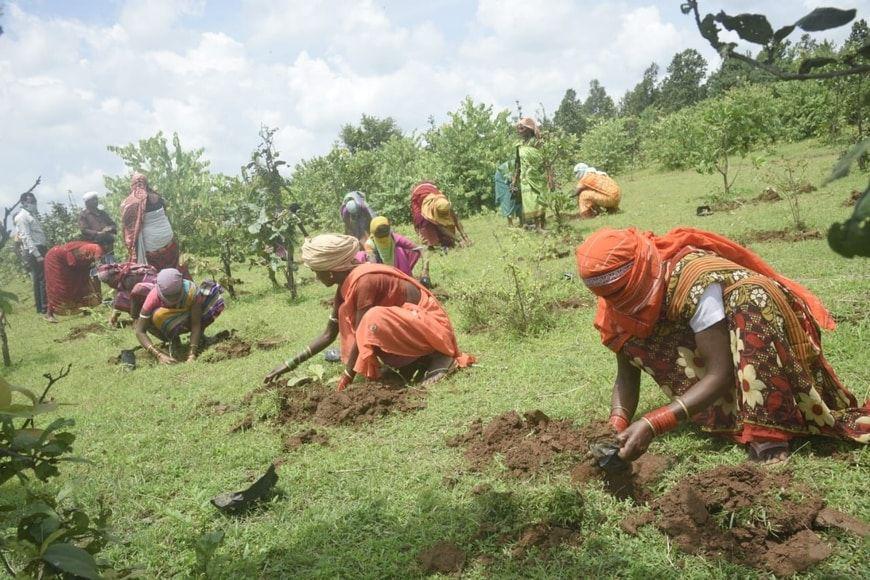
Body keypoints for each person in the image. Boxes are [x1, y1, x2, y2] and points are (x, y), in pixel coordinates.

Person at [575, 227, 869, 464]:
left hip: (756, 334)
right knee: (632, 337)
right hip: (716, 346)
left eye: (619, 292)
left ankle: (768, 430)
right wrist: (615, 425)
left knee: (752, 299)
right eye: (606, 296)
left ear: (639, 271)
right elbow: (626, 373)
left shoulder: (695, 280)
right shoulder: (616, 302)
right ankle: (728, 410)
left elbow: (720, 372)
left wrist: (655, 423)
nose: (615, 302)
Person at [263, 234, 474, 388]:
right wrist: (288, 364)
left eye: (317, 272)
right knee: (362, 320)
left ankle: (440, 357)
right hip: (412, 329)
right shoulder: (345, 286)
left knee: (372, 319)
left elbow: (362, 331)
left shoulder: (365, 280)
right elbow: (328, 334)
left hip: (432, 329)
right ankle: (415, 363)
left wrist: (346, 378)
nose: (317, 278)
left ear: (330, 271)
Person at [133, 268, 224, 364]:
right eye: (168, 298)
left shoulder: (191, 291)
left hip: (188, 317)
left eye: (175, 296)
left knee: (213, 298)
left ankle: (199, 338)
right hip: (167, 322)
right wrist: (158, 355)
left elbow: (196, 324)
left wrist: (192, 354)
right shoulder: (153, 297)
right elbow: (139, 331)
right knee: (157, 315)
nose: (172, 300)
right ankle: (174, 340)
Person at [121, 172, 182, 270]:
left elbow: (129, 229)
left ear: (133, 185)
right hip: (168, 238)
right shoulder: (157, 196)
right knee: (174, 270)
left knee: (155, 274)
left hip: (152, 245)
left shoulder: (131, 202)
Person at [13, 192, 54, 322]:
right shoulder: (21, 217)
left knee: (40, 279)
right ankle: (45, 308)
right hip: (34, 250)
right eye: (30, 202)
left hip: (39, 247)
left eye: (34, 201)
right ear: (23, 203)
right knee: (42, 279)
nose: (33, 204)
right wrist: (37, 254)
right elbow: (26, 237)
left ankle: (42, 307)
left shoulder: (31, 215)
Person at [43, 241, 103, 316]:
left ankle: (86, 309)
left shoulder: (91, 250)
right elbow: (72, 264)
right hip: (57, 262)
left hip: (73, 267)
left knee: (83, 285)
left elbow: (90, 263)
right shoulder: (78, 252)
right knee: (58, 288)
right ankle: (49, 313)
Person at [513, 118, 551, 229]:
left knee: (540, 200)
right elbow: (517, 163)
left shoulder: (537, 142)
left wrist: (550, 177)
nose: (519, 130)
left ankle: (542, 225)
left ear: (529, 129)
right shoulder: (519, 145)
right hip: (525, 178)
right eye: (518, 128)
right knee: (530, 201)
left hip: (539, 176)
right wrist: (514, 180)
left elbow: (546, 160)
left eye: (522, 128)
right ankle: (537, 226)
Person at [410, 182, 470, 250]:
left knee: (449, 241)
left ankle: (444, 240)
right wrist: (459, 240)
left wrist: (465, 237)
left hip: (431, 189)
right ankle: (431, 244)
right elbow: (441, 228)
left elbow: (456, 219)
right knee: (425, 223)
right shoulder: (430, 209)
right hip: (418, 196)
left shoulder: (444, 204)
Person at [79, 191, 118, 262]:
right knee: (99, 264)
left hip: (108, 243)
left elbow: (113, 224)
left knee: (111, 264)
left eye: (96, 199)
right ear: (87, 203)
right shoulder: (84, 215)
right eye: (93, 200)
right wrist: (97, 233)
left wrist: (109, 228)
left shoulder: (102, 213)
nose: (96, 201)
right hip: (94, 245)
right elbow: (84, 230)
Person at [494, 159, 520, 226]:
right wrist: (513, 184)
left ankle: (522, 221)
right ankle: (510, 223)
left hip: (509, 176)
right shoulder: (518, 163)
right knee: (507, 197)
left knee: (518, 196)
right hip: (501, 177)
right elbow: (515, 176)